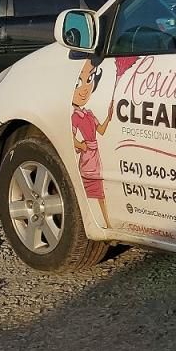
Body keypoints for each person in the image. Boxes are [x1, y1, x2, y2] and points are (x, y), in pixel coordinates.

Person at [71, 58, 114, 228]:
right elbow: (71, 136)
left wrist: (109, 117)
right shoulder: (76, 116)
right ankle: (90, 221)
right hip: (88, 157)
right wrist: (82, 146)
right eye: (78, 83)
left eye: (89, 79)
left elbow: (101, 130)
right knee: (88, 190)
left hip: (95, 157)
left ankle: (107, 222)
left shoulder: (89, 114)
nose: (84, 89)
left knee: (100, 192)